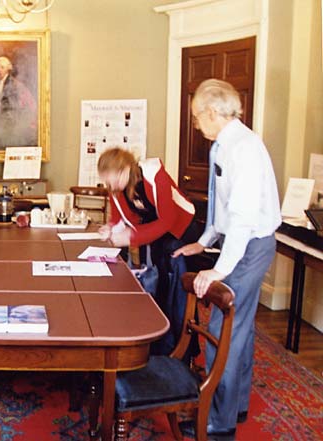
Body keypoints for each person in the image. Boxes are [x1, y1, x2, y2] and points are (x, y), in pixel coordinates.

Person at [173, 79, 281, 439]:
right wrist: (204, 243)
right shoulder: (224, 145)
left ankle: (218, 421)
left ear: (213, 112)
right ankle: (236, 406)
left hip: (250, 244)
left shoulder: (243, 149)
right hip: (242, 240)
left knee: (224, 330)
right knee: (241, 328)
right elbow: (222, 206)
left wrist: (218, 270)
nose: (195, 123)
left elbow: (243, 219)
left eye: (196, 116)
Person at [97, 147, 199, 355]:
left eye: (113, 179)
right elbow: (119, 217)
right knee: (154, 287)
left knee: (176, 292)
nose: (111, 185)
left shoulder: (155, 176)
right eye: (107, 181)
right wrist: (111, 228)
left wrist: (133, 236)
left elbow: (168, 220)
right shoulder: (116, 186)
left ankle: (182, 348)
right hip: (153, 233)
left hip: (180, 233)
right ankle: (157, 342)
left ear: (125, 168)